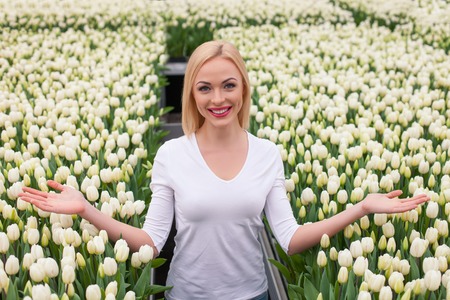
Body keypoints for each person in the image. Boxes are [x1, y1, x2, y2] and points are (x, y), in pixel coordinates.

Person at [19, 40, 429, 300]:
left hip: (252, 294)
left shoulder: (268, 154)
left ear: (244, 88)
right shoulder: (171, 155)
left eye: (229, 85)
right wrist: (87, 210)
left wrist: (360, 208)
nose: (218, 98)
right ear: (191, 93)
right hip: (185, 296)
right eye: (205, 87)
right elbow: (150, 241)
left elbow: (288, 239)